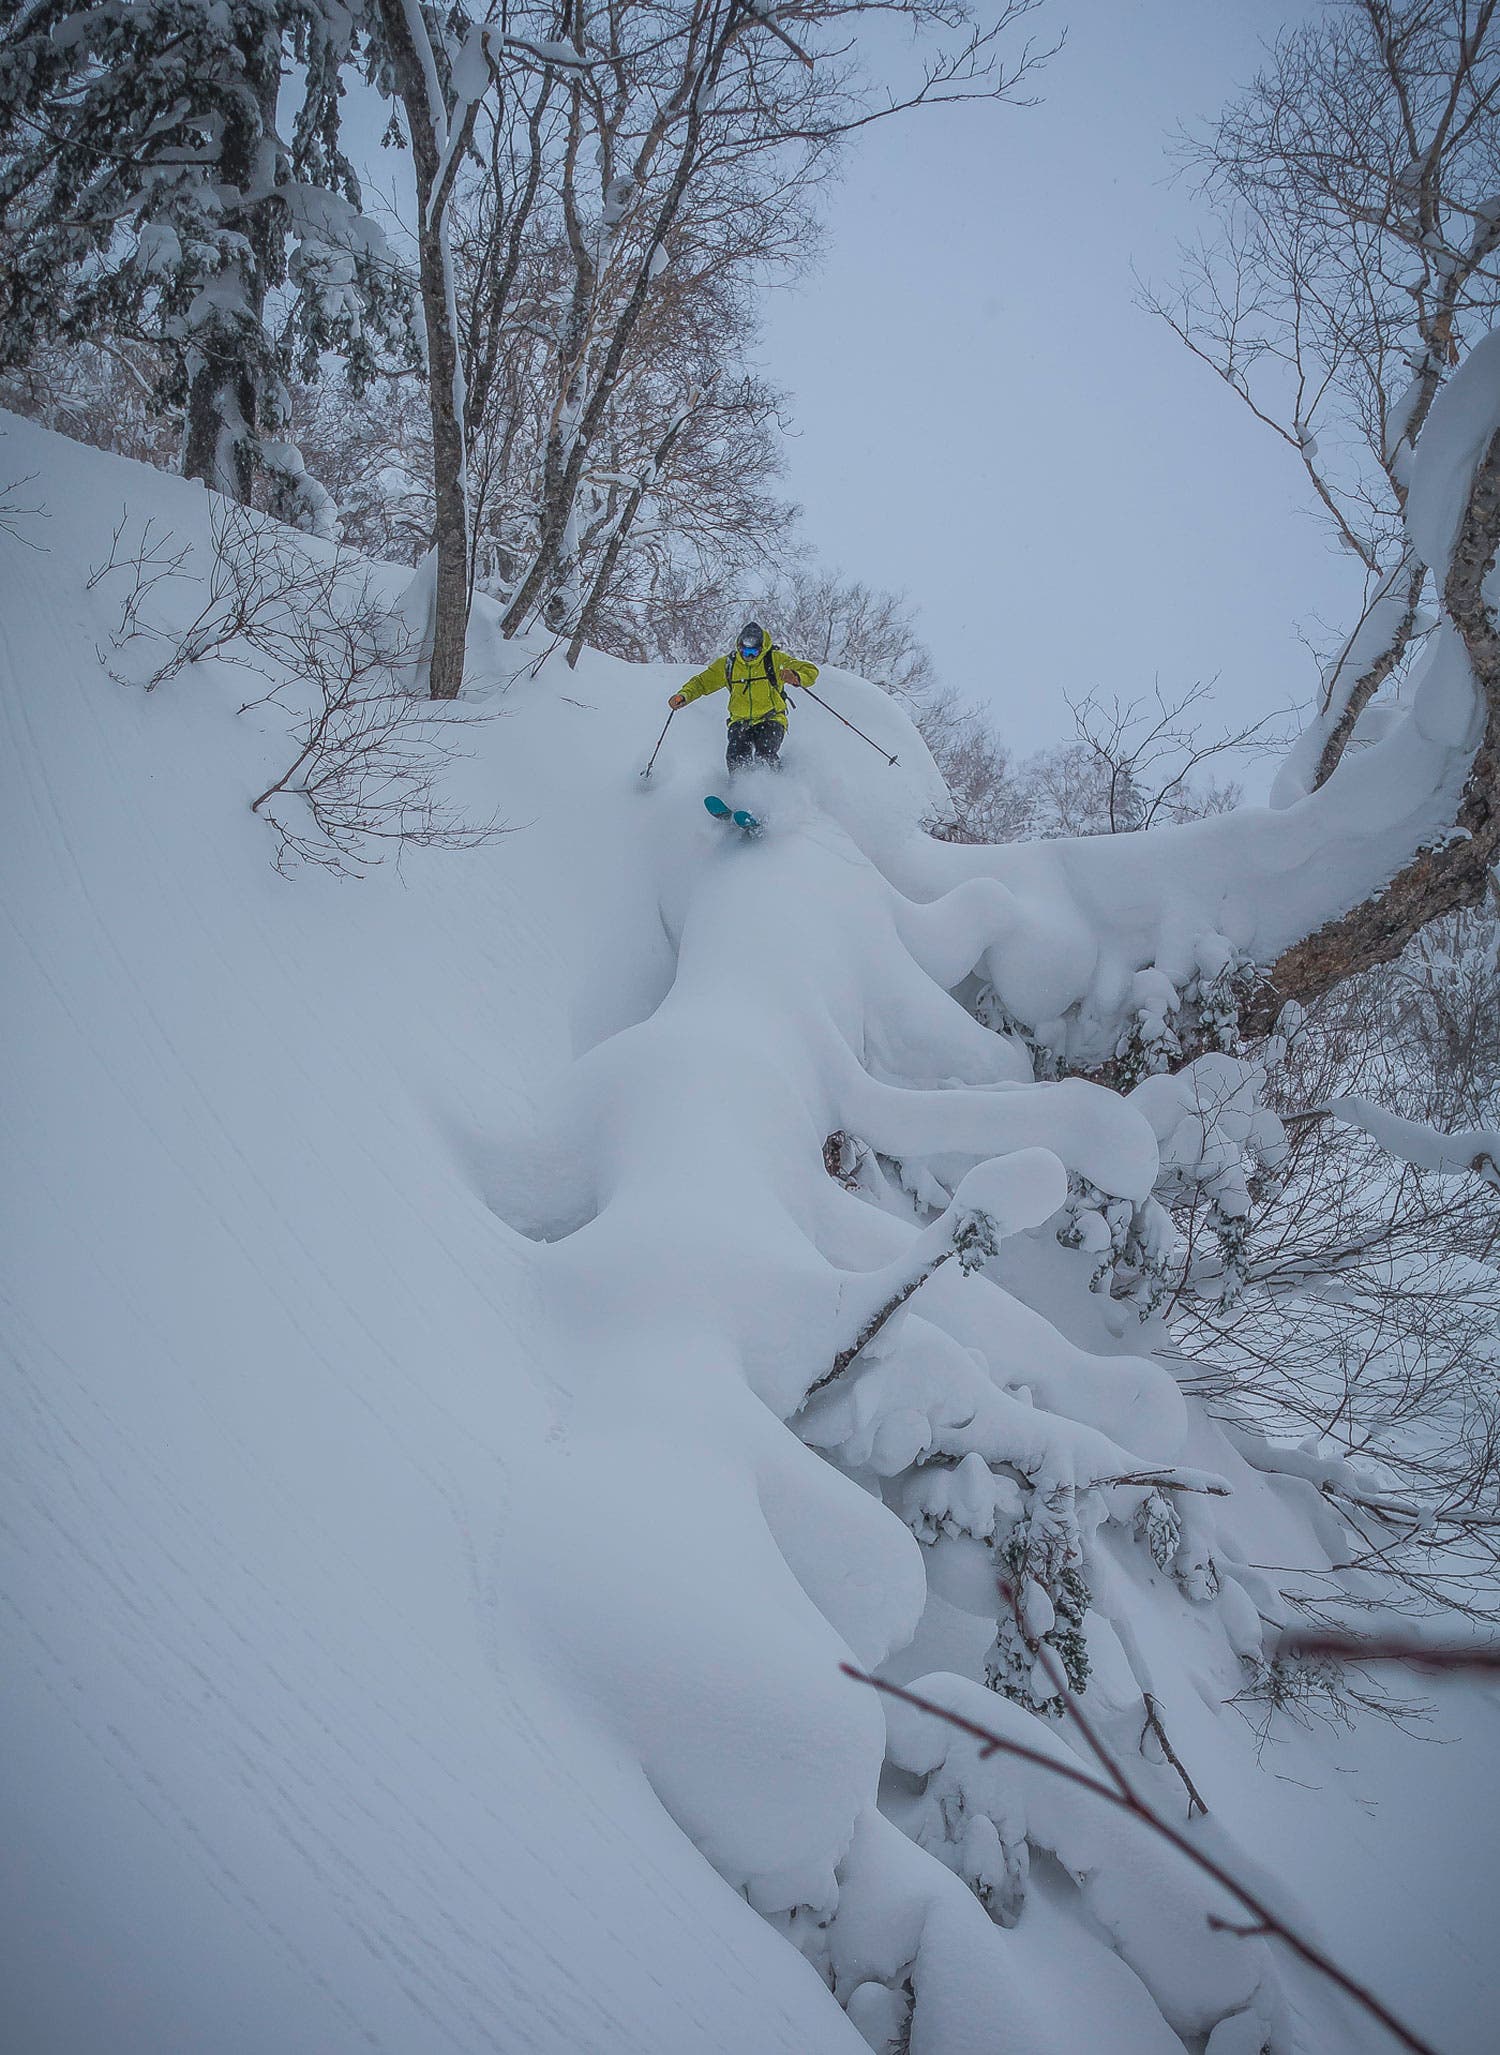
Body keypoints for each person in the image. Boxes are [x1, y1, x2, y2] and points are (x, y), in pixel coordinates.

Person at [668, 621, 819, 775]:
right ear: (739, 647)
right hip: (740, 721)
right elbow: (701, 682)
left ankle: (776, 787)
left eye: (754, 652)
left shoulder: (774, 660)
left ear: (762, 648)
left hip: (771, 718)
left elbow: (811, 670)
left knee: (764, 754)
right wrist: (684, 695)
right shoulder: (729, 664)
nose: (750, 657)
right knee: (736, 758)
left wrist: (797, 676)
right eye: (746, 653)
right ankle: (740, 792)